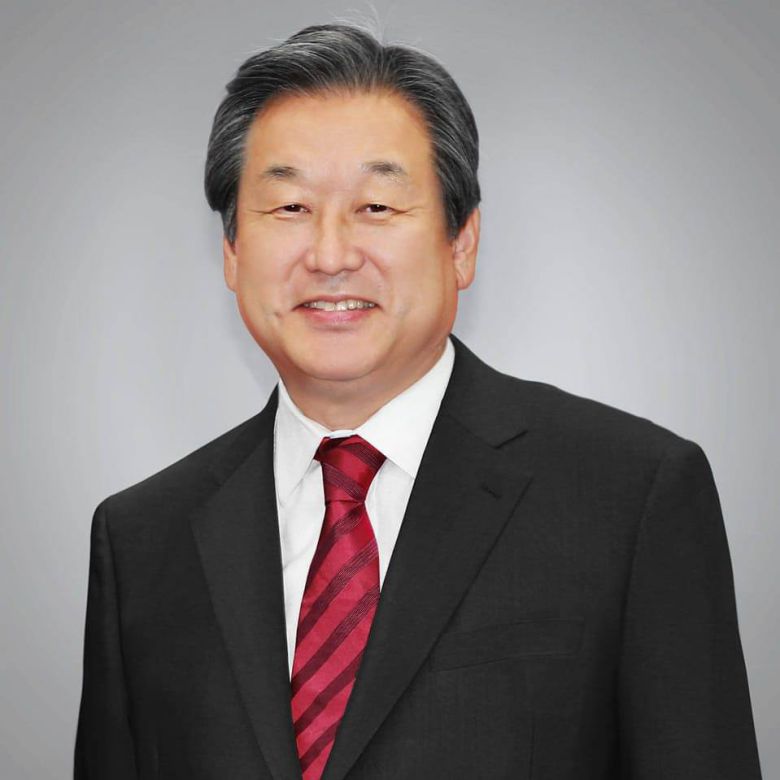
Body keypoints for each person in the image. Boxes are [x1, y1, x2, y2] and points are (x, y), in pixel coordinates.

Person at [74, 22, 763, 780]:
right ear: (233, 252)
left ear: (461, 243)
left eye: (376, 207)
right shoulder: (142, 541)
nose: (330, 255)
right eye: (290, 208)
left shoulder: (630, 497)